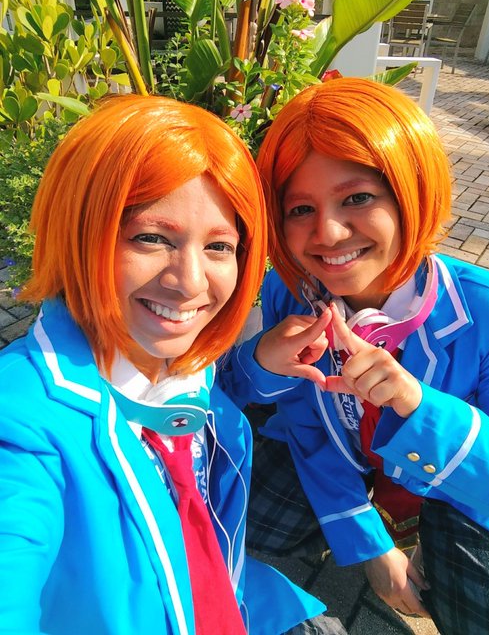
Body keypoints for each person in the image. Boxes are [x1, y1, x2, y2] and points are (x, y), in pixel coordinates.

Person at [0, 94, 327, 635]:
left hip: (232, 595)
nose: (190, 282)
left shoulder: (172, 358)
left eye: (219, 247)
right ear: (78, 231)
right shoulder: (21, 428)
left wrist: (258, 364)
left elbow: (191, 398)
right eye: (151, 238)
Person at [220, 77, 489, 634]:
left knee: (488, 612)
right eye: (300, 208)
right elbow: (306, 422)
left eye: (357, 198)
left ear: (410, 191)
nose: (328, 233)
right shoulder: (290, 291)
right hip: (345, 461)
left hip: (454, 493)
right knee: (250, 517)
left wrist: (419, 407)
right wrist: (369, 545)